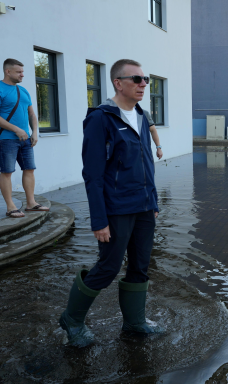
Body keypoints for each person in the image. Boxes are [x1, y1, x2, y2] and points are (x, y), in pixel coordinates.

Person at [59, 59, 162, 347]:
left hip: (143, 207)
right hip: (116, 209)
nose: (143, 84)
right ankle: (72, 320)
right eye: (137, 79)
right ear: (118, 83)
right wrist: (99, 220)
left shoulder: (141, 116)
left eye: (146, 79)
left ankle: (135, 322)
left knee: (140, 266)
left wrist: (152, 201)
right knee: (107, 268)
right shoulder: (101, 118)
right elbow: (92, 175)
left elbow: (146, 163)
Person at [0, 58, 48, 218]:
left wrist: (34, 132)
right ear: (8, 71)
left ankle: (31, 203)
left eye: (22, 71)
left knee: (29, 169)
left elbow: (32, 114)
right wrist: (16, 129)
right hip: (6, 139)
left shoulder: (23, 91)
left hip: (26, 139)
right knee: (7, 171)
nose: (22, 75)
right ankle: (10, 207)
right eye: (19, 72)